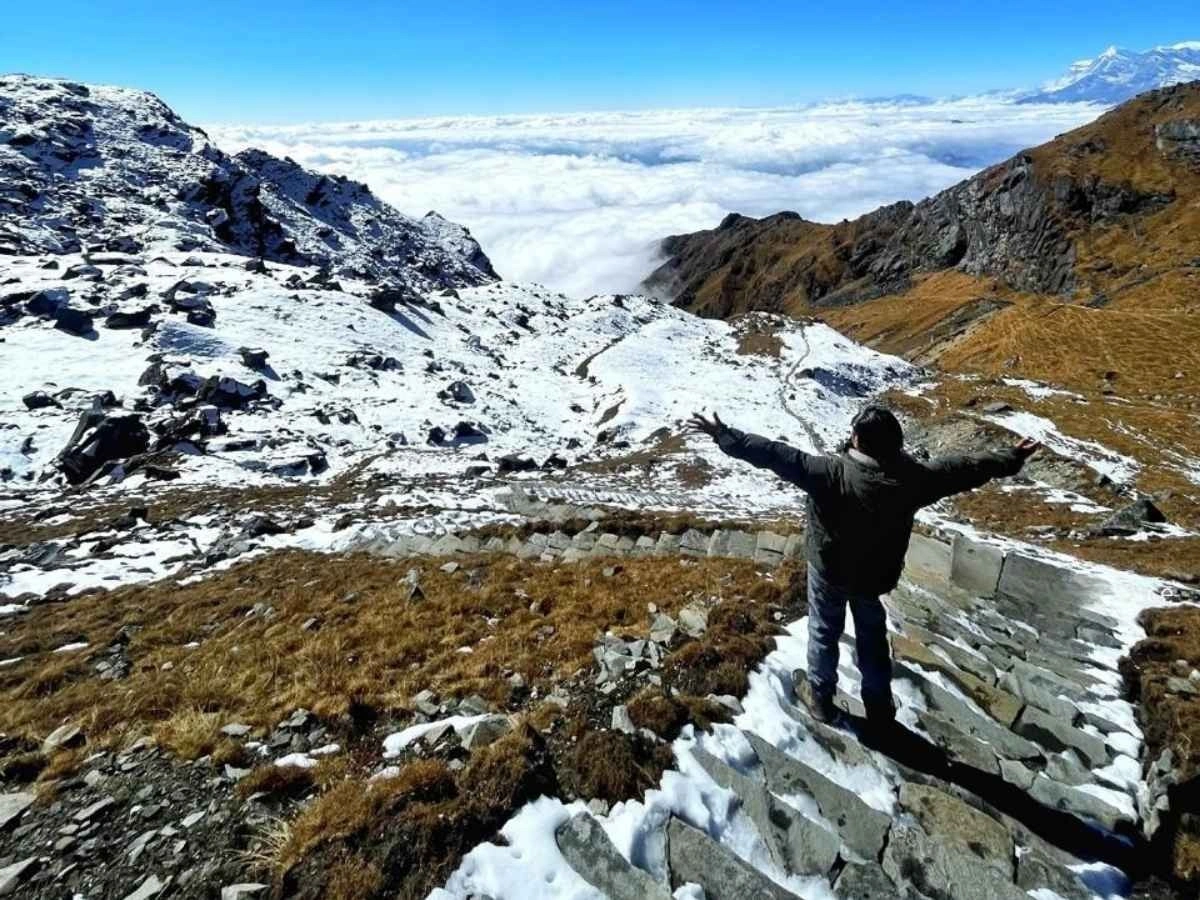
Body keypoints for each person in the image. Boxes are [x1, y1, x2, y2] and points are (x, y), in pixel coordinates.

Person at [689, 405, 1040, 729]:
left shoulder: (829, 473)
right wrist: (1011, 457)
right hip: (875, 577)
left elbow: (774, 455)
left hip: (829, 573)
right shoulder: (915, 479)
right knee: (872, 639)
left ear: (857, 439)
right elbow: (965, 468)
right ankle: (879, 708)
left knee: (824, 632)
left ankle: (821, 700)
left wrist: (726, 436)